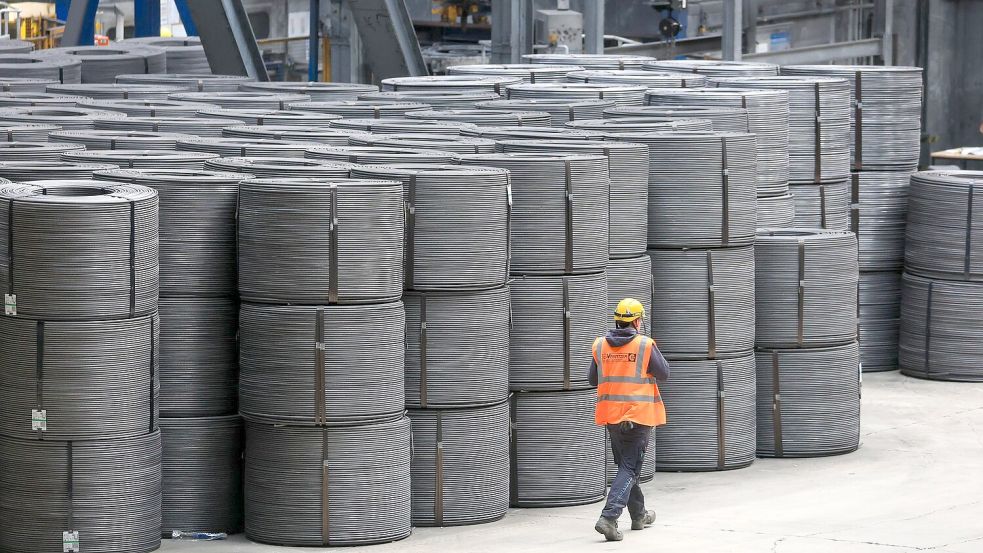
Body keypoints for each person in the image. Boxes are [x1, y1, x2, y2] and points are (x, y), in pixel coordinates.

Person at [589, 297, 670, 542]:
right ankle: (609, 517)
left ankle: (639, 515)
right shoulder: (644, 345)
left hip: (612, 417)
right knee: (629, 467)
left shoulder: (600, 345)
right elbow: (664, 373)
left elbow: (593, 380)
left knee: (626, 465)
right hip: (637, 416)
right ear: (636, 321)